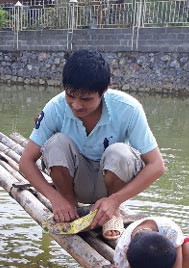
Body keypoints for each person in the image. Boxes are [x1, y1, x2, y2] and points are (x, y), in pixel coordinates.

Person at [19, 49, 165, 239]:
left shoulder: (128, 108)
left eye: (86, 99)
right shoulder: (55, 107)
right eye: (71, 96)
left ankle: (112, 212)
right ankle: (69, 206)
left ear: (104, 91)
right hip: (74, 183)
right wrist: (56, 199)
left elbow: (157, 166)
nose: (77, 105)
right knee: (56, 143)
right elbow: (26, 162)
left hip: (110, 182)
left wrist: (115, 200)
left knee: (120, 152)